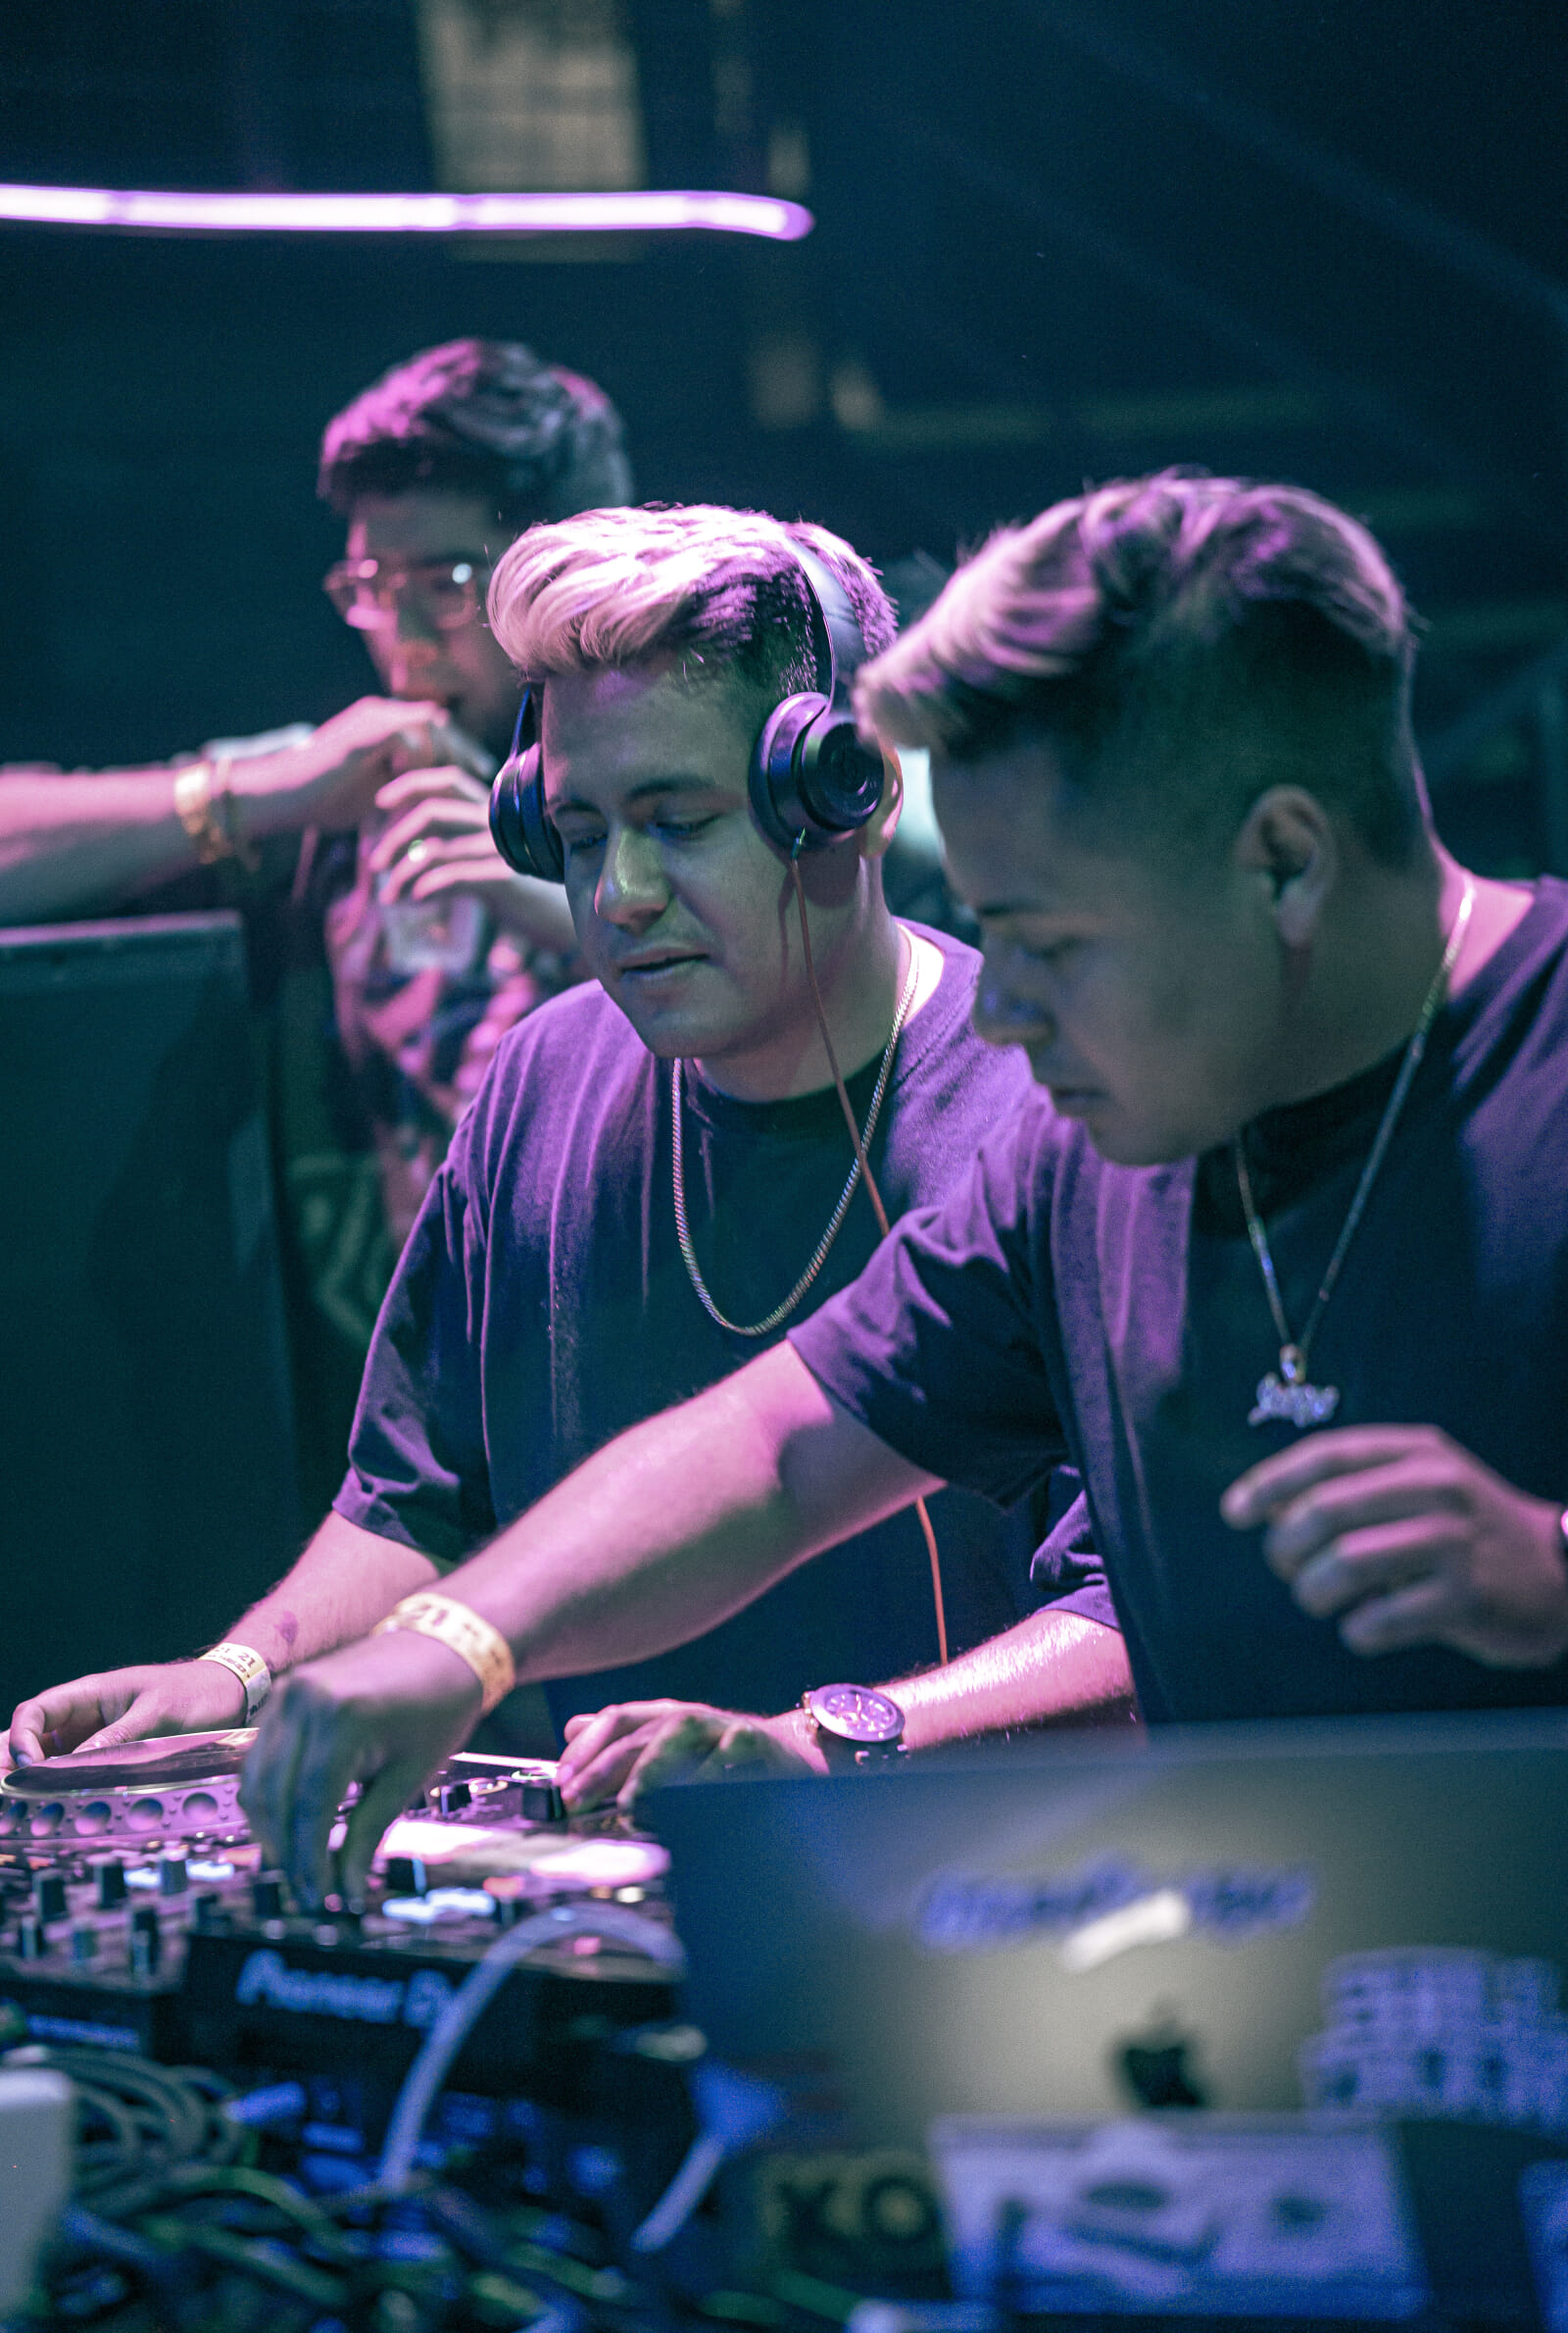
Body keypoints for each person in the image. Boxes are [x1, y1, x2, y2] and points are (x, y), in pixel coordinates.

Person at [173, 466, 1568, 1908]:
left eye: (1050, 943)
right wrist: (454, 1644)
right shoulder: (1100, 1146)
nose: (1003, 1008)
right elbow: (780, 1443)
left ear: (1282, 859)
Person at [7, 504, 1134, 1823]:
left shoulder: (1062, 1108)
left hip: (992, 1885)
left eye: (679, 821)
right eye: (582, 834)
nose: (618, 894)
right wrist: (240, 1676)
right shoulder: (542, 1081)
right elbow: (420, 1501)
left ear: (848, 794)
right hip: (604, 1896)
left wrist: (818, 1748)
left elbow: (1144, 1612)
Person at [0, 339, 624, 1508]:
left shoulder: (688, 792)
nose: (403, 638)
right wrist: (254, 795)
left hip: (653, 1424)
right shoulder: (331, 793)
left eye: (444, 582)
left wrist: (558, 912)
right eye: (370, 588)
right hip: (416, 1476)